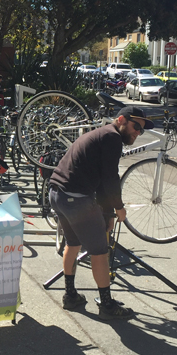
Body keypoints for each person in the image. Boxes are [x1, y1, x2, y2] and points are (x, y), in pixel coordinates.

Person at [48, 106, 153, 320]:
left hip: (57, 194)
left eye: (141, 130)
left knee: (73, 244)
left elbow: (102, 182)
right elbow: (110, 178)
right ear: (121, 119)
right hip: (75, 199)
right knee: (99, 252)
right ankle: (107, 305)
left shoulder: (102, 135)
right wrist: (119, 208)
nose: (137, 133)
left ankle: (70, 296)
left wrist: (108, 214)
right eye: (135, 126)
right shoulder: (112, 137)